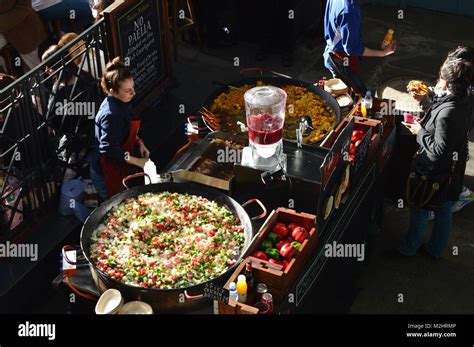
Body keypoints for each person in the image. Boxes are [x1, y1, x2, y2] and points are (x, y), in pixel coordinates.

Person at [399, 58, 473, 259]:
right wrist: (424, 101)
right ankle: (435, 250)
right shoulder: (465, 97)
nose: (437, 80)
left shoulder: (448, 113)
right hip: (453, 169)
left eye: (440, 75)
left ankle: (408, 249)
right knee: (445, 205)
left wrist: (419, 131)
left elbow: (439, 148)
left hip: (434, 170)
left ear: (447, 82)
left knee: (420, 207)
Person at [90, 57, 150, 199]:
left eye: (133, 88)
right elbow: (108, 149)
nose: (133, 93)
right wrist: (138, 162)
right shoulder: (112, 115)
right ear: (113, 91)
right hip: (107, 173)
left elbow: (125, 129)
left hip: (120, 167)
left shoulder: (121, 101)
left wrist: (139, 142)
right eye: (128, 90)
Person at [323, 0, 396, 77]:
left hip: (332, 49)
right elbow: (352, 49)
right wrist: (383, 53)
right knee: (347, 87)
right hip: (342, 60)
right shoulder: (349, 11)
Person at [0, 0, 46, 71]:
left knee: (37, 69)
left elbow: (24, 8)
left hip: (23, 28)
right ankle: (8, 78)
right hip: (4, 30)